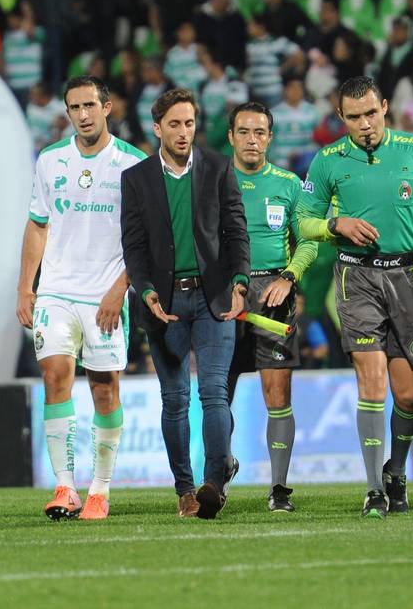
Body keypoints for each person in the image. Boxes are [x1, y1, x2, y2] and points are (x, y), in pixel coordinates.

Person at [297, 76, 413, 519]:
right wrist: (335, 225)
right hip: (357, 277)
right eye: (354, 117)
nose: (365, 124)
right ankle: (372, 490)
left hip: (407, 278)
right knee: (372, 382)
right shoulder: (327, 161)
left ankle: (396, 470)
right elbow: (303, 221)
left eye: (370, 113)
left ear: (385, 106)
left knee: (408, 397)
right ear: (340, 117)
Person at [16, 76, 144, 522]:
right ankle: (65, 487)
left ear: (107, 107)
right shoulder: (50, 160)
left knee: (104, 389)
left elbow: (146, 239)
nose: (83, 115)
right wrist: (26, 286)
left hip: (106, 294)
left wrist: (120, 288)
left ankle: (100, 490)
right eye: (74, 107)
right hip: (56, 290)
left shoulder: (133, 163)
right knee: (55, 376)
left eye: (90, 105)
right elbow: (37, 224)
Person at [120, 88, 250, 520]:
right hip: (165, 304)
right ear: (157, 128)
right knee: (174, 399)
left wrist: (240, 281)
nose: (183, 132)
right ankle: (184, 490)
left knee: (213, 391)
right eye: (174, 124)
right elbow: (134, 247)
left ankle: (213, 484)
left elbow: (236, 231)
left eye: (189, 123)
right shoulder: (136, 179)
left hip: (215, 299)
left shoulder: (218, 167)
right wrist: (146, 290)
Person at [226, 102, 318, 512]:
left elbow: (309, 241)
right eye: (244, 132)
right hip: (226, 292)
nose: (252, 140)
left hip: (273, 291)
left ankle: (279, 488)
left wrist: (289, 277)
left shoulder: (289, 183)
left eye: (260, 132)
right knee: (217, 393)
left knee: (277, 394)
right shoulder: (214, 182)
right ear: (231, 136)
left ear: (270, 137)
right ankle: (221, 466)